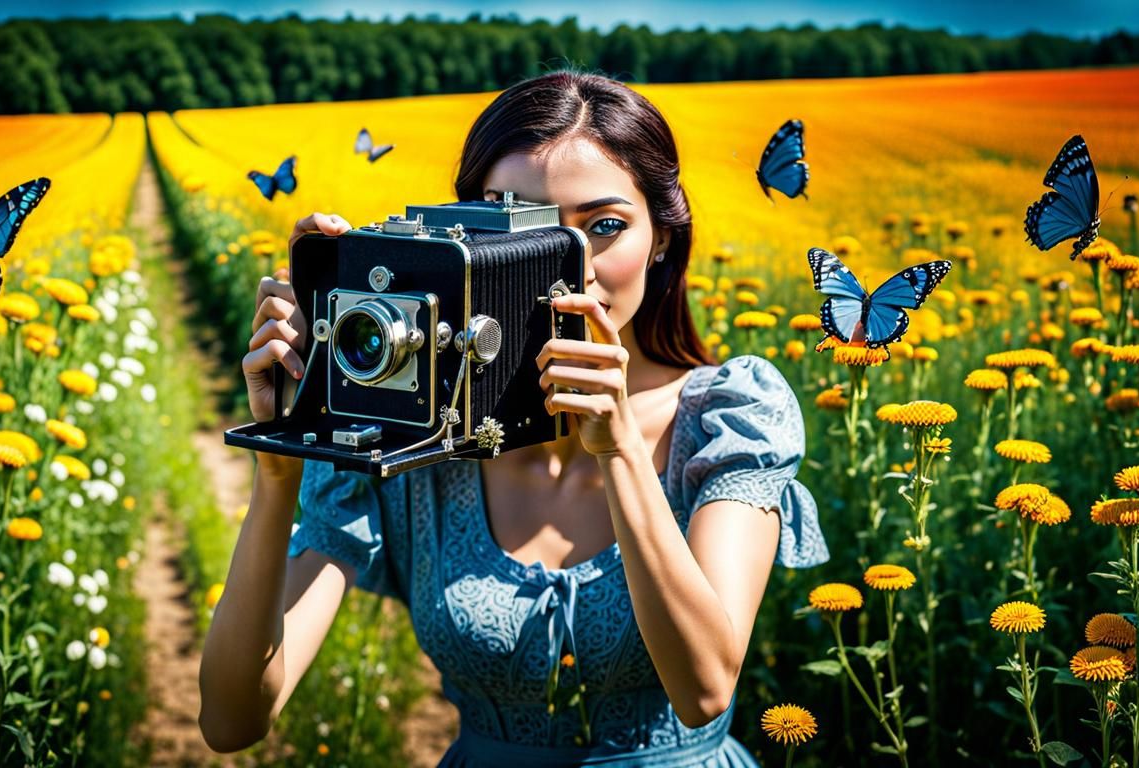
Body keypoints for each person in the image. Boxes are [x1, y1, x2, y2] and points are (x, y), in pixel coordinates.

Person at [199, 70, 829, 767]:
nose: (564, 268)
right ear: (457, 240)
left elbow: (704, 688)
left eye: (605, 227)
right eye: (516, 224)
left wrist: (619, 451)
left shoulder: (727, 418)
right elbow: (232, 720)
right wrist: (281, 467)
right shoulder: (422, 434)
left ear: (661, 238)